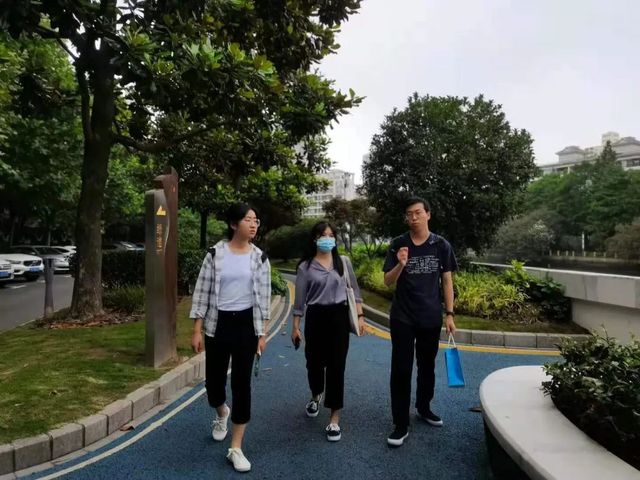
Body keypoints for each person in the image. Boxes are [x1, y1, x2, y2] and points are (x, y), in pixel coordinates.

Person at [190, 203, 271, 472]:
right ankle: (221, 411)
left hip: (246, 325)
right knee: (214, 384)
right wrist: (196, 329)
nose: (254, 224)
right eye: (248, 219)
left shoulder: (260, 258)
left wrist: (262, 333)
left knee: (241, 384)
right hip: (218, 324)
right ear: (234, 224)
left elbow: (264, 299)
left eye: (256, 220)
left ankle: (236, 447)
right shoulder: (215, 254)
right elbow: (202, 292)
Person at [383, 197, 458, 447]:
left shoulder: (441, 245)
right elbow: (387, 281)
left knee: (427, 367)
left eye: (417, 213)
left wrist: (450, 314)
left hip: (430, 317)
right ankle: (400, 423)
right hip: (402, 317)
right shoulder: (398, 244)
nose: (413, 218)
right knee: (401, 370)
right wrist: (400, 264)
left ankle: (424, 408)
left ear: (428, 214)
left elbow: (447, 280)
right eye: (409, 214)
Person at [291, 221, 365, 442]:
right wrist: (295, 327)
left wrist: (360, 316)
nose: (328, 239)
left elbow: (355, 292)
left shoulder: (343, 262)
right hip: (316, 318)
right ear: (315, 238)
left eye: (331, 235)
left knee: (336, 367)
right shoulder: (305, 267)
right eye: (323, 235)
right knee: (314, 364)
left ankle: (334, 419)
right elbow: (300, 301)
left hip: (339, 318)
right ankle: (316, 394)